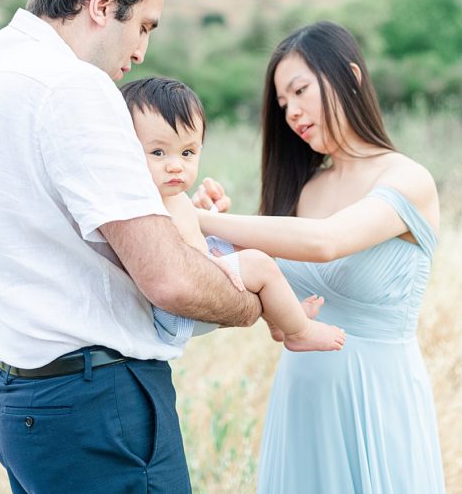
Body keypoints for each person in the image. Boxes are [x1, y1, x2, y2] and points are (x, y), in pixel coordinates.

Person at [0, 0, 262, 494]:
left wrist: (185, 218)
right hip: (98, 407)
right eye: (144, 26)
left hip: (21, 396)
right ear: (101, 3)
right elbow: (168, 280)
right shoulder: (74, 86)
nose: (141, 52)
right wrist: (250, 298)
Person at [193, 21, 446, 493]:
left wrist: (203, 224)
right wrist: (216, 235)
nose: (291, 112)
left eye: (300, 90)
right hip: (302, 396)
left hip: (376, 394)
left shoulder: (406, 179)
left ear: (350, 76)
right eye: (283, 103)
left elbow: (327, 241)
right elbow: (264, 282)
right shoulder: (305, 188)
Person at [120, 76, 346, 352]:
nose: (176, 165)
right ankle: (300, 331)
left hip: (198, 276)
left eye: (187, 152)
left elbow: (188, 232)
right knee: (259, 263)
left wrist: (206, 214)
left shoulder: (172, 196)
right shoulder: (140, 199)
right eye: (158, 152)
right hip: (174, 312)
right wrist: (218, 261)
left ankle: (278, 320)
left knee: (250, 244)